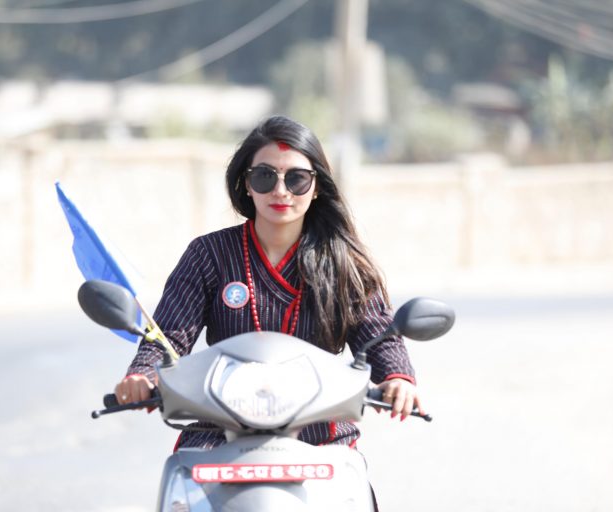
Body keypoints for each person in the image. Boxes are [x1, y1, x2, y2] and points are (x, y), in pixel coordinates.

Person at [115, 115, 423, 452]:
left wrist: (396, 377)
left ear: (317, 186)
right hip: (221, 431)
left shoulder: (342, 261)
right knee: (183, 484)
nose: (280, 191)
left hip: (320, 438)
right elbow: (169, 335)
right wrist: (144, 374)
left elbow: (376, 332)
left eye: (297, 179)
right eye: (264, 176)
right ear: (246, 184)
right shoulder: (209, 253)